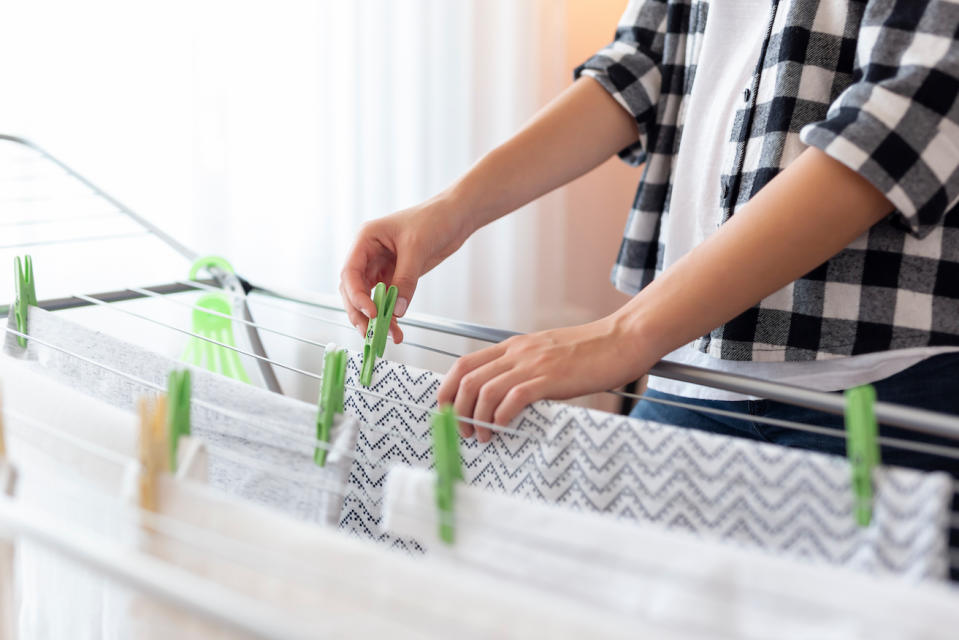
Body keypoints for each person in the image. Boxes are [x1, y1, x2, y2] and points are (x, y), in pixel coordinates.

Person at [338, 0, 959, 473]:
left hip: (885, 388)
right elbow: (641, 64)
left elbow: (909, 116)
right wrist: (451, 211)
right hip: (690, 376)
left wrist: (624, 332)